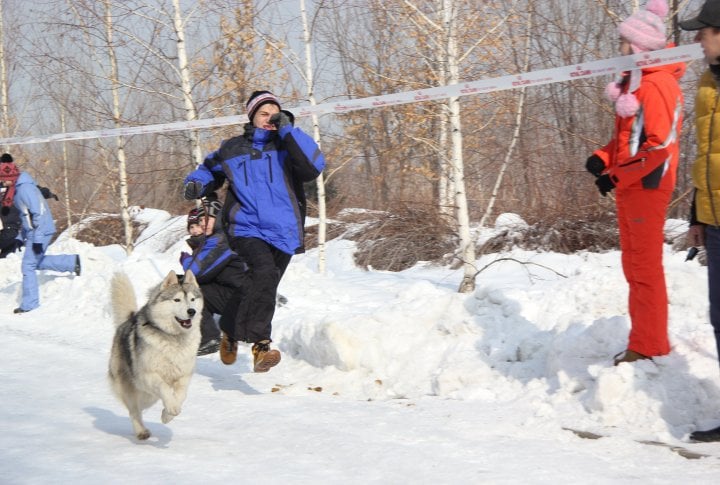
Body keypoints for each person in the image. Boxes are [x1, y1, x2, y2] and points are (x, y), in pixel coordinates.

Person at [183, 90, 325, 372]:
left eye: (275, 112)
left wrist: (287, 129)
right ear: (252, 117)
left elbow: (313, 167)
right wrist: (196, 183)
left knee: (261, 287)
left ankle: (229, 329)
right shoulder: (233, 148)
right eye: (264, 112)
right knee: (263, 273)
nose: (270, 117)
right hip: (247, 227)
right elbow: (209, 168)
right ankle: (261, 346)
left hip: (283, 231)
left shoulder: (288, 146)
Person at [583, 0, 685, 365]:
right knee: (635, 267)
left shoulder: (657, 84)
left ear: (640, 46)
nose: (620, 48)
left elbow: (659, 145)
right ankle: (644, 339)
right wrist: (604, 158)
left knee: (644, 269)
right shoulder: (637, 83)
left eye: (625, 42)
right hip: (631, 184)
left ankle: (649, 345)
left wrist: (617, 175)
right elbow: (629, 142)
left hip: (647, 185)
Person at [679, 0, 720, 442]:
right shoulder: (707, 82)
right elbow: (706, 156)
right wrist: (696, 214)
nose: (697, 40)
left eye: (703, 31)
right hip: (715, 220)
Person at [0, 153, 81, 313]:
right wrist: (19, 238)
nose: (2, 182)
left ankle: (30, 304)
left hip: (41, 230)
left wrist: (37, 240)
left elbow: (38, 213)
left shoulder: (25, 190)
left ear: (12, 176)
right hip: (35, 231)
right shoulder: (17, 189)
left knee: (28, 265)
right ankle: (72, 262)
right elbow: (26, 216)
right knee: (34, 262)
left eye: (4, 179)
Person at [180, 199, 249, 356]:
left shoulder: (221, 240)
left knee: (193, 293)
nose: (203, 224)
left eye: (208, 219)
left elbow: (195, 271)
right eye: (200, 220)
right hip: (238, 295)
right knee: (191, 288)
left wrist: (185, 260)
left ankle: (209, 338)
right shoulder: (221, 237)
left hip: (241, 299)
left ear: (219, 218)